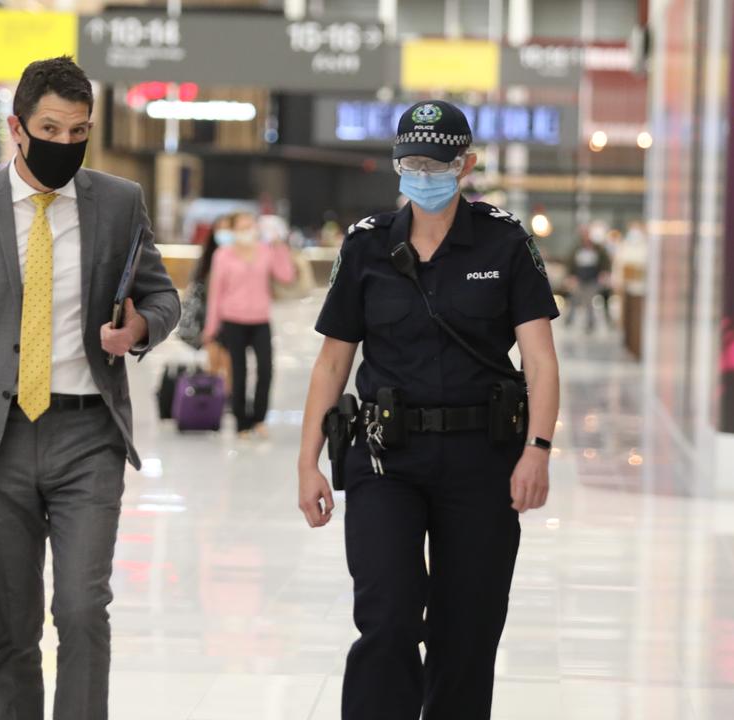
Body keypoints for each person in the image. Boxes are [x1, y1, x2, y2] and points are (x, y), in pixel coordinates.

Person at [0, 56, 180, 720]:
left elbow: (164, 298)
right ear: (17, 128)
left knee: (83, 608)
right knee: (13, 629)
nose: (63, 144)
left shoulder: (118, 203)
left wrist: (138, 328)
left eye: (77, 131)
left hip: (89, 435)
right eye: (49, 129)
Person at [296, 100, 561, 719]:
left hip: (482, 459)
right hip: (387, 458)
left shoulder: (505, 240)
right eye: (411, 161)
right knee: (386, 620)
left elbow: (541, 361)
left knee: (465, 633)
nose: (424, 173)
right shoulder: (366, 247)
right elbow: (333, 362)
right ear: (395, 165)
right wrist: (307, 462)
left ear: (464, 164)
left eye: (437, 162)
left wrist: (538, 451)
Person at [203, 210, 296, 438]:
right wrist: (211, 327)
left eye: (250, 226)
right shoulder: (223, 255)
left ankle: (259, 418)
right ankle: (241, 423)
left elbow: (286, 276)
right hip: (232, 320)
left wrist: (279, 246)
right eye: (242, 227)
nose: (247, 231)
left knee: (266, 369)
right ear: (233, 231)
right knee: (238, 371)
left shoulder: (266, 251)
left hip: (260, 320)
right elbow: (216, 293)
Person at [565, 228, 610, 332]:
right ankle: (569, 320)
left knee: (589, 301)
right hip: (580, 278)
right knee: (574, 298)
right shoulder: (577, 249)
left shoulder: (598, 249)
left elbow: (605, 263)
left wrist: (604, 274)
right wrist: (571, 276)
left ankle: (590, 323)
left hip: (592, 279)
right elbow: (570, 263)